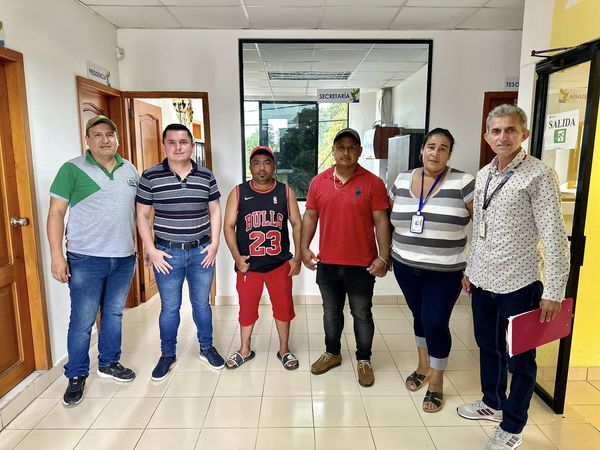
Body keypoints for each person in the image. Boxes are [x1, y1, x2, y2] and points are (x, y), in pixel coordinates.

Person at [458, 105, 570, 450]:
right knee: (487, 346)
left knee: (520, 359)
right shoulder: (485, 174)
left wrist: (554, 290)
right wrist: (470, 268)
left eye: (510, 130)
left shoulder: (540, 175)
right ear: (487, 136)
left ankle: (513, 425)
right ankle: (492, 401)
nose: (502, 137)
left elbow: (554, 236)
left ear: (524, 134)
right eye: (496, 131)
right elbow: (480, 228)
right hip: (483, 279)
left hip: (520, 283)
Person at [48, 115, 138, 406]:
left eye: (109, 134)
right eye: (97, 134)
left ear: (117, 138)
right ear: (87, 140)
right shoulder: (72, 169)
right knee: (83, 320)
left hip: (123, 257)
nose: (104, 139)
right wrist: (56, 256)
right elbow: (56, 213)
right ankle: (76, 374)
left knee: (113, 314)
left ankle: (109, 362)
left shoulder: (130, 169)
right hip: (86, 258)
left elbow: (139, 213)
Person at [389, 128, 474, 412]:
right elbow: (390, 217)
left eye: (443, 148)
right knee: (420, 317)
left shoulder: (463, 182)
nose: (435, 153)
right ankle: (423, 366)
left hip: (445, 271)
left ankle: (436, 380)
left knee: (435, 321)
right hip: (405, 266)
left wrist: (474, 266)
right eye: (431, 146)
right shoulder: (402, 179)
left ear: (449, 154)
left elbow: (484, 226)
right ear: (422, 150)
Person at [301, 128, 390, 387]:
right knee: (331, 312)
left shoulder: (373, 183)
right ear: (333, 150)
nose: (346, 152)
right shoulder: (319, 182)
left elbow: (381, 221)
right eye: (340, 147)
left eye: (352, 147)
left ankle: (364, 359)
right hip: (328, 263)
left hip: (362, 264)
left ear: (360, 152)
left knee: (361, 313)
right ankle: (332, 353)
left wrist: (384, 257)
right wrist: (304, 247)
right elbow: (310, 216)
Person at [136, 123, 224, 381]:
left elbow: (215, 210)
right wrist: (151, 250)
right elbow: (141, 215)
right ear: (164, 145)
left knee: (202, 304)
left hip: (201, 252)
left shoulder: (206, 175)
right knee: (170, 307)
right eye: (171, 142)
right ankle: (167, 354)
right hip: (167, 254)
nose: (177, 147)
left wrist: (215, 244)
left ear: (192, 145)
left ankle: (207, 348)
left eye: (183, 142)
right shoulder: (150, 176)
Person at [223, 145, 302, 369]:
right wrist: (237, 257)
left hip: (279, 264)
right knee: (247, 310)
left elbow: (297, 223)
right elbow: (228, 226)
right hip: (249, 266)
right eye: (256, 163)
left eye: (267, 163)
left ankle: (284, 350)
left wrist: (297, 257)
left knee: (283, 308)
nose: (262, 168)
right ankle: (244, 349)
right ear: (250, 167)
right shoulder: (238, 192)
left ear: (274, 166)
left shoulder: (285, 192)